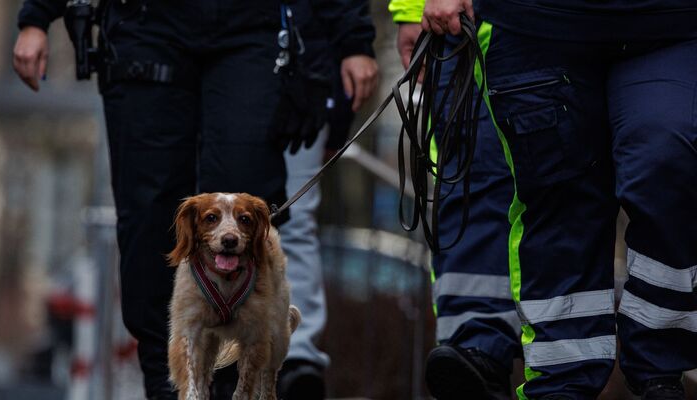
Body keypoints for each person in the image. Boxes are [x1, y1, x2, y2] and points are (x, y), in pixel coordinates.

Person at [13, 1, 376, 399]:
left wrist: (353, 40)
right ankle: (169, 383)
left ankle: (231, 381)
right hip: (145, 26)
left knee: (242, 213)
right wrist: (36, 17)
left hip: (251, 29)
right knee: (150, 218)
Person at [420, 0, 697, 399]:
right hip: (535, 23)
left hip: (669, 24)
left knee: (666, 165)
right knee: (557, 204)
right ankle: (558, 383)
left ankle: (660, 368)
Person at [389, 2, 521, 399]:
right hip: (459, 30)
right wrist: (412, 11)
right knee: (468, 187)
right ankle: (474, 352)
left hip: (550, 27)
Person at [277, 1, 378, 399]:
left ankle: (296, 355)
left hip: (304, 66)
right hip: (222, 60)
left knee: (293, 218)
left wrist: (355, 43)